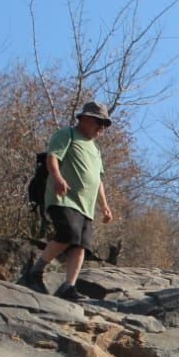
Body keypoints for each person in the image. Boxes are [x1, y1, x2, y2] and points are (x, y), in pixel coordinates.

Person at [21, 101, 114, 301]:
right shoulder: (67, 135)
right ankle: (34, 273)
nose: (102, 129)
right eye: (99, 123)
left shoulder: (96, 150)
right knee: (68, 233)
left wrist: (104, 206)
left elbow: (98, 180)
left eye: (105, 125)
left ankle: (68, 287)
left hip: (86, 207)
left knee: (81, 245)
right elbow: (52, 157)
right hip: (64, 199)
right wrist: (58, 177)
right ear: (86, 119)